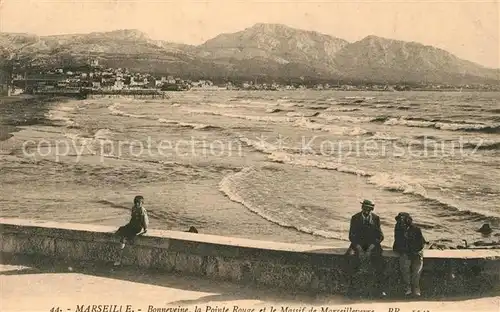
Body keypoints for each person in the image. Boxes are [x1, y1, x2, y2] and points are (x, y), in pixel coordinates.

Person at [347, 199, 386, 297]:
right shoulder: (355, 218)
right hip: (357, 244)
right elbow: (351, 236)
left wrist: (371, 248)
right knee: (350, 258)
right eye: (365, 208)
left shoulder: (376, 218)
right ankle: (352, 289)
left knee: (379, 262)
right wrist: (359, 248)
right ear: (362, 207)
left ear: (372, 209)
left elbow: (380, 236)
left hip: (372, 245)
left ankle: (380, 289)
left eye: (369, 208)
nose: (366, 210)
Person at [393, 212, 425, 297]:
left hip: (416, 251)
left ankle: (416, 287)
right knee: (404, 266)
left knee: (417, 268)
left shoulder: (416, 229)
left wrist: (414, 252)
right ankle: (407, 287)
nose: (400, 223)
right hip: (405, 252)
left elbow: (421, 244)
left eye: (402, 221)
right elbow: (397, 243)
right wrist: (404, 252)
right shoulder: (398, 229)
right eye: (399, 221)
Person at [114, 195, 149, 266]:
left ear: (142, 203)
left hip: (138, 227)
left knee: (125, 236)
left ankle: (119, 258)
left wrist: (145, 229)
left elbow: (144, 220)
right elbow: (132, 219)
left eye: (139, 203)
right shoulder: (134, 208)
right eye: (136, 202)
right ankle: (121, 250)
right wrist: (128, 225)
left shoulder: (142, 210)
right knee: (120, 230)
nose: (137, 204)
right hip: (132, 225)